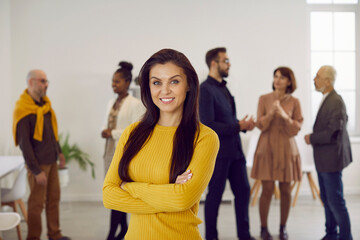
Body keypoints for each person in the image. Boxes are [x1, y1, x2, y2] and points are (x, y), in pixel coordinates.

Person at [103, 48, 220, 240]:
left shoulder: (204, 138)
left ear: (189, 84)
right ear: (148, 87)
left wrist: (130, 186)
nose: (164, 90)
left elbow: (182, 199)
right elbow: (109, 195)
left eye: (174, 81)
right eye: (156, 82)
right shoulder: (131, 133)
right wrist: (169, 193)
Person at [199, 47, 256, 240]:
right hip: (219, 154)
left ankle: (244, 235)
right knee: (214, 195)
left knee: (243, 192)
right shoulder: (205, 90)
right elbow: (208, 125)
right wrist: (238, 125)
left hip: (236, 152)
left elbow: (228, 121)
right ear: (214, 63)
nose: (229, 64)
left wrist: (243, 125)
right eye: (225, 60)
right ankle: (211, 237)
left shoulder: (224, 87)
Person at [12, 69, 71, 240]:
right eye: (42, 81)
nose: (46, 85)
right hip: (38, 164)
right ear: (31, 82)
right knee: (36, 204)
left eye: (46, 81)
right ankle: (33, 237)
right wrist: (36, 170)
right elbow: (25, 144)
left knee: (54, 199)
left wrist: (59, 152)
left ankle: (54, 233)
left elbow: (52, 132)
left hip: (51, 160)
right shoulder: (23, 109)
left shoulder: (45, 105)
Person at [251, 67, 303, 240]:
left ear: (289, 81)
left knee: (286, 190)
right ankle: (263, 228)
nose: (278, 80)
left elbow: (296, 128)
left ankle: (283, 227)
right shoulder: (264, 99)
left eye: (282, 77)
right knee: (267, 189)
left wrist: (284, 115)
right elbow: (260, 125)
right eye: (275, 76)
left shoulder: (294, 101)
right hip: (266, 148)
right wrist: (272, 113)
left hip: (287, 149)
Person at [305, 65, 352, 240]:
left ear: (328, 81)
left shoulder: (336, 101)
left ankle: (346, 237)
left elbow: (333, 133)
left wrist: (312, 138)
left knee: (335, 201)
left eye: (317, 76)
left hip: (331, 160)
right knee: (327, 198)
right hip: (324, 159)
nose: (314, 80)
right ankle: (331, 234)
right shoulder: (327, 98)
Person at [101, 61, 145, 240]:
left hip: (124, 153)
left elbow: (135, 130)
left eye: (117, 81)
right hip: (109, 151)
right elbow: (106, 123)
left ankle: (112, 234)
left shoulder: (135, 103)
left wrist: (112, 132)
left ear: (127, 82)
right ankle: (124, 229)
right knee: (113, 191)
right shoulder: (112, 102)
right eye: (112, 81)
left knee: (118, 193)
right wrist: (106, 130)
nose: (113, 84)